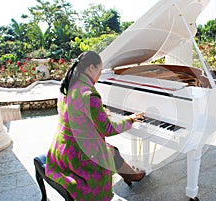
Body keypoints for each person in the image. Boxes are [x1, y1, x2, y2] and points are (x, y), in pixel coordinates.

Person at [45, 51, 146, 201]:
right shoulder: (89, 94)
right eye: (100, 71)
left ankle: (130, 174)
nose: (99, 76)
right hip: (78, 157)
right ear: (91, 68)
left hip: (61, 149)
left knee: (112, 151)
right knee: (110, 152)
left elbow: (71, 112)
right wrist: (130, 119)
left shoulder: (67, 84)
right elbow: (108, 129)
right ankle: (132, 174)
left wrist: (96, 114)